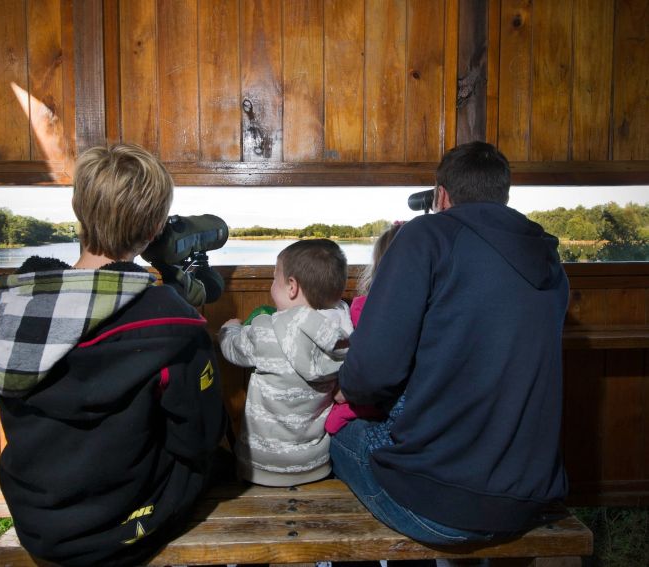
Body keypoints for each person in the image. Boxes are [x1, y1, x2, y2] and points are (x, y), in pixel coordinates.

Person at [0, 144, 226, 566]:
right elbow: (199, 438)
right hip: (121, 529)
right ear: (153, 230)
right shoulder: (170, 323)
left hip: (38, 523)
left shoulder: (14, 305)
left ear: (79, 211)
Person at [331, 141, 569, 548]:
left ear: (441, 195)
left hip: (440, 508)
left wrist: (346, 390)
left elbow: (370, 376)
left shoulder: (426, 235)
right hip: (529, 499)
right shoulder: (550, 259)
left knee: (339, 438)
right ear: (503, 195)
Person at [219, 239, 353, 487]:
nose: (271, 286)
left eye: (273, 279)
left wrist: (230, 329)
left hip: (260, 467)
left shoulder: (265, 331)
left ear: (292, 287)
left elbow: (233, 351)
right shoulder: (343, 336)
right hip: (317, 464)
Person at [325, 221, 404, 435]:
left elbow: (364, 367)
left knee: (329, 425)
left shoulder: (363, 308)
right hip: (405, 403)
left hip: (368, 401)